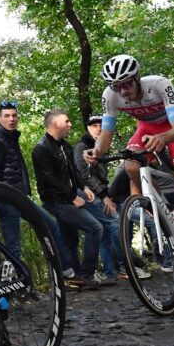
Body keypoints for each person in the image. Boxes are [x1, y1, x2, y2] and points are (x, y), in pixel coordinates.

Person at [85, 54, 174, 279]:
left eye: (126, 84)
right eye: (116, 86)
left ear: (137, 77)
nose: (122, 91)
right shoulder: (110, 96)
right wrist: (97, 150)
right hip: (146, 129)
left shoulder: (160, 85)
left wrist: (164, 137)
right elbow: (107, 133)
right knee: (130, 166)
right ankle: (170, 213)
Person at [0, 99, 75, 277]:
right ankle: (9, 288)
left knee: (50, 225)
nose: (11, 119)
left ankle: (63, 272)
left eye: (14, 115)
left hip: (18, 196)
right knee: (13, 246)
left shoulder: (9, 138)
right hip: (5, 199)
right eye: (7, 116)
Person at [32, 109, 101, 289]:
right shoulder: (41, 149)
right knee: (95, 228)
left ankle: (76, 279)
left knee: (70, 240)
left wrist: (83, 187)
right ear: (56, 124)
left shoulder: (64, 145)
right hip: (56, 201)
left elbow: (73, 171)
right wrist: (73, 197)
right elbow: (50, 179)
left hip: (68, 197)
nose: (70, 125)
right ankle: (87, 274)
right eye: (67, 121)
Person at [74, 115, 124, 284]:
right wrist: (104, 197)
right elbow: (84, 176)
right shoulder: (83, 147)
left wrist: (106, 194)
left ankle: (111, 273)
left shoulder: (101, 147)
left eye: (101, 125)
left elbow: (101, 178)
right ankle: (127, 267)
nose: (98, 128)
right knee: (115, 222)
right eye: (94, 125)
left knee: (104, 232)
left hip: (99, 191)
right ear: (88, 128)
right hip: (86, 192)